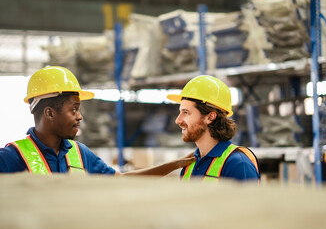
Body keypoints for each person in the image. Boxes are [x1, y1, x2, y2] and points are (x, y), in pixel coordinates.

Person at [0, 66, 195, 175]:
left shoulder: (79, 153)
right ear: (49, 113)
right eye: (74, 110)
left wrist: (173, 164)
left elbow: (121, 182)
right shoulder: (11, 158)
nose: (80, 116)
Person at [167, 75, 260, 182]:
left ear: (210, 117)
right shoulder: (189, 164)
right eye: (180, 112)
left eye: (186, 112)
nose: (178, 120)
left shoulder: (238, 164)